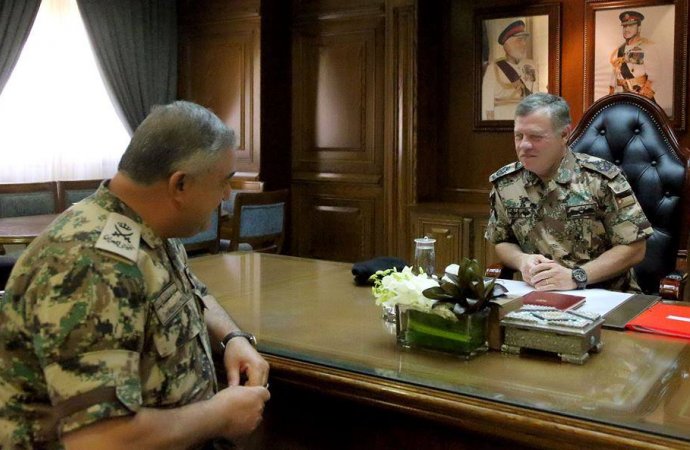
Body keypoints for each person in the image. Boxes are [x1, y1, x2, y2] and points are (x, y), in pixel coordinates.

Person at [0, 101, 270, 449]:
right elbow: (99, 440)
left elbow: (193, 293)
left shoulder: (148, 226)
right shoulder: (92, 265)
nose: (226, 194)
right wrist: (219, 416)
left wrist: (232, 337)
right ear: (180, 185)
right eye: (224, 181)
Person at [484, 93, 653, 292]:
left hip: (604, 294)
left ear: (564, 135)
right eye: (519, 136)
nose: (524, 145)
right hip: (539, 294)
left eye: (536, 137)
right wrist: (522, 260)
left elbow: (635, 248)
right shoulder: (506, 183)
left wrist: (577, 276)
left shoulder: (600, 179)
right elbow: (502, 241)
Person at [482, 20, 539, 120]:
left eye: (524, 40)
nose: (524, 44)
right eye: (519, 40)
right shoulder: (493, 69)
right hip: (502, 120)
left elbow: (536, 98)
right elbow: (486, 104)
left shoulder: (531, 66)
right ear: (507, 44)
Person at [608, 10, 658, 102]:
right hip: (622, 97)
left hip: (640, 97)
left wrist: (643, 98)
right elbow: (614, 77)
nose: (626, 29)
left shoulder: (647, 48)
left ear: (639, 28)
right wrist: (611, 96)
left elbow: (655, 77)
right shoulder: (618, 50)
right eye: (624, 26)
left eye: (631, 26)